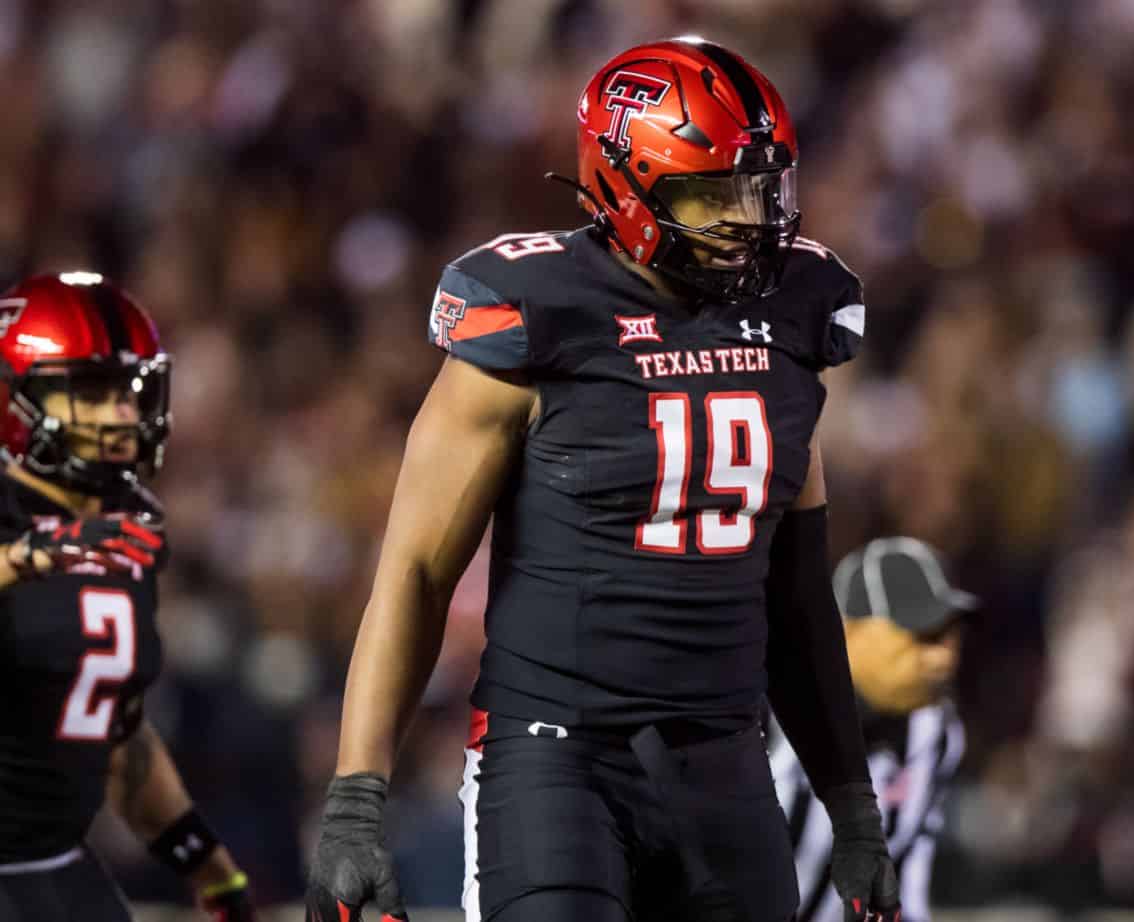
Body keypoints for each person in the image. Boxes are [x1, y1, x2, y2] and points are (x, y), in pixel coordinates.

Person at [307, 37, 896, 922]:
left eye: (757, 189)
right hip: (557, 761)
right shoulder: (536, 309)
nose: (746, 219)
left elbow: (797, 587)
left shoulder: (793, 313)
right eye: (709, 193)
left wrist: (851, 805)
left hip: (730, 763)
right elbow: (418, 572)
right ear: (623, 185)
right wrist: (357, 799)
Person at [0, 273, 256, 921]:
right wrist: (19, 559)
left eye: (128, 391)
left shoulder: (123, 534)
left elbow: (116, 732)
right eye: (89, 392)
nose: (120, 415)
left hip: (54, 862)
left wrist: (211, 868)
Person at [771, 537, 973, 922]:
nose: (943, 657)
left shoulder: (936, 735)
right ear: (848, 633)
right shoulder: (766, 712)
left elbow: (908, 886)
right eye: (922, 634)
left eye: (947, 635)